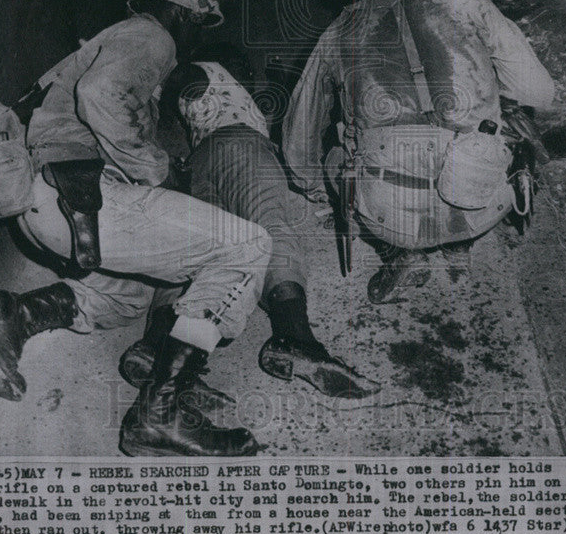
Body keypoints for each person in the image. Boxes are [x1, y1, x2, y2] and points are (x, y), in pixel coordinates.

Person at [0, 0, 272, 457]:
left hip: (43, 205)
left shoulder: (109, 39)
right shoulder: (152, 35)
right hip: (79, 197)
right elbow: (102, 94)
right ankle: (160, 414)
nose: (196, 37)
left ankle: (14, 313)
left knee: (127, 296)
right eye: (201, 24)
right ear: (186, 11)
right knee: (246, 245)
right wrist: (160, 171)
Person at [281, 0, 556, 302]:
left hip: (390, 217)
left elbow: (299, 141)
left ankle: (401, 255)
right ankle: (461, 240)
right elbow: (539, 92)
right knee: (506, 122)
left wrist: (317, 191)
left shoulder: (337, 32)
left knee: (335, 159)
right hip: (484, 200)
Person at [119, 44, 378, 400]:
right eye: (244, 67)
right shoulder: (210, 70)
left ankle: (161, 349)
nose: (250, 75)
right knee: (272, 226)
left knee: (197, 256)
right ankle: (294, 337)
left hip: (201, 166)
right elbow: (177, 74)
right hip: (240, 148)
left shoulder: (209, 104)